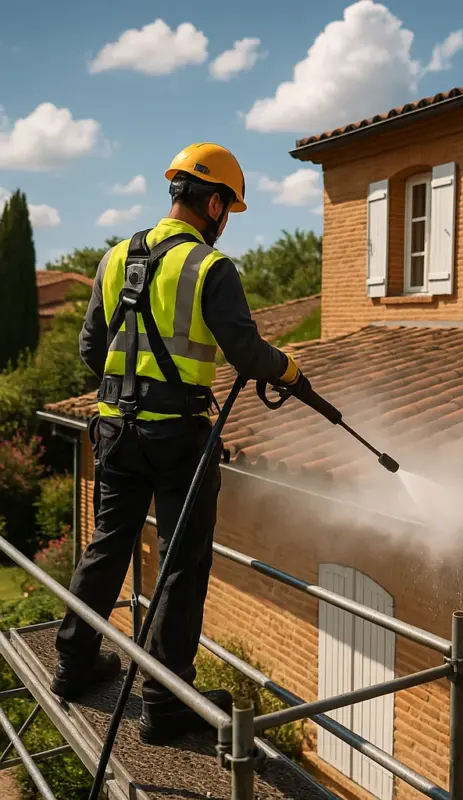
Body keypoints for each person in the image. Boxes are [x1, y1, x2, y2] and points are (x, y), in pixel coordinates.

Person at [50, 143, 306, 745]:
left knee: (109, 543)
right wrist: (289, 370)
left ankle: (73, 661)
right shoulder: (209, 268)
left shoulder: (115, 258)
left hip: (113, 429)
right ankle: (165, 701)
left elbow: (92, 350)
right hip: (177, 439)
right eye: (227, 211)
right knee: (181, 561)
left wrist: (130, 384)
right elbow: (246, 353)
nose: (224, 224)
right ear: (214, 202)